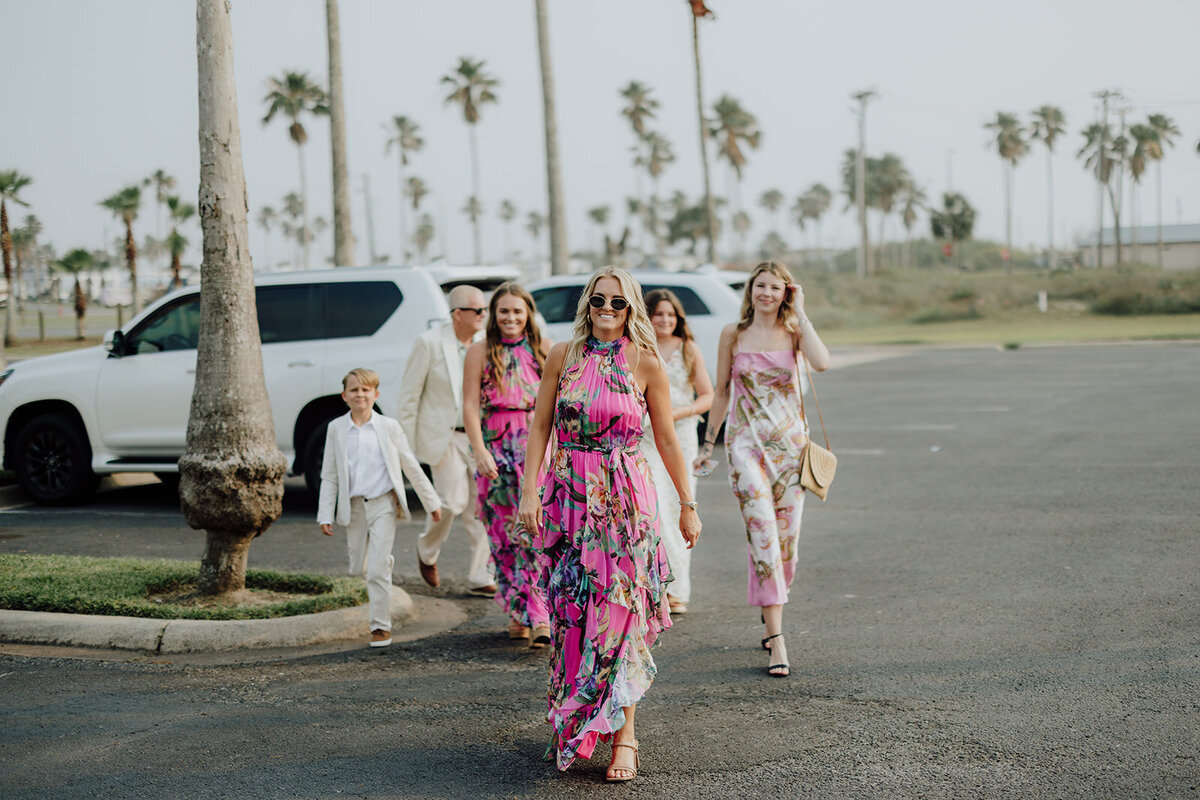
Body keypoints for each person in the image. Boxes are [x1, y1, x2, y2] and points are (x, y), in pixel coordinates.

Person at [518, 266, 702, 783]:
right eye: (598, 299)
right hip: (569, 499)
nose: (606, 308)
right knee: (572, 611)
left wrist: (687, 503)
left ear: (631, 308)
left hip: (624, 500)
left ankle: (625, 735)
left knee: (619, 615)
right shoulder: (563, 354)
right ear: (587, 303)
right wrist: (530, 490)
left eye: (617, 302)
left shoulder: (646, 362)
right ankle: (576, 714)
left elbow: (665, 438)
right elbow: (539, 427)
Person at [697, 261, 830, 678]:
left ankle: (770, 606)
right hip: (745, 449)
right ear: (750, 290)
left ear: (785, 291)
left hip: (790, 452)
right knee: (763, 534)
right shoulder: (732, 335)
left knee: (786, 542)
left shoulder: (794, 333)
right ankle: (777, 637)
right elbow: (720, 392)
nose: (766, 293)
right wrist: (707, 444)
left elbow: (822, 362)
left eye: (775, 287)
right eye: (760, 286)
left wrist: (802, 310)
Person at [318, 368, 443, 648]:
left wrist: (431, 501)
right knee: (357, 567)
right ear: (344, 396)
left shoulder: (388, 427)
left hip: (383, 504)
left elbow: (410, 465)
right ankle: (377, 561)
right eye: (354, 390)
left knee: (376, 570)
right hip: (353, 507)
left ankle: (380, 627)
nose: (360, 394)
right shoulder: (336, 429)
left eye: (366, 389)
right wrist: (325, 513)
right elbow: (330, 474)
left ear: (375, 394)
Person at [462, 283, 553, 648]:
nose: (511, 318)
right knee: (503, 536)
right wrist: (479, 450)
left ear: (528, 313)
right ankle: (518, 611)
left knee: (538, 532)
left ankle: (541, 613)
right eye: (504, 311)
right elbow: (469, 405)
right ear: (492, 315)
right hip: (497, 446)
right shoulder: (479, 351)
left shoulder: (544, 348)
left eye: (518, 311)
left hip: (536, 444)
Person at [397, 284, 496, 597]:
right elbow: (410, 396)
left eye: (485, 309)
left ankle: (481, 574)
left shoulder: (486, 343)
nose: (484, 315)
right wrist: (405, 448)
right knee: (451, 502)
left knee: (482, 506)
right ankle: (427, 551)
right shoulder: (429, 343)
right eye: (477, 310)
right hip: (444, 436)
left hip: (480, 437)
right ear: (458, 314)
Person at [640, 288, 713, 615]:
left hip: (680, 436)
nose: (665, 320)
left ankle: (678, 589)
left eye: (670, 314)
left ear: (678, 318)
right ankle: (656, 586)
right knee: (652, 508)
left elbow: (707, 396)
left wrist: (679, 413)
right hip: (643, 437)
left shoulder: (688, 349)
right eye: (658, 314)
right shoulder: (639, 350)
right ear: (647, 317)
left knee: (680, 508)